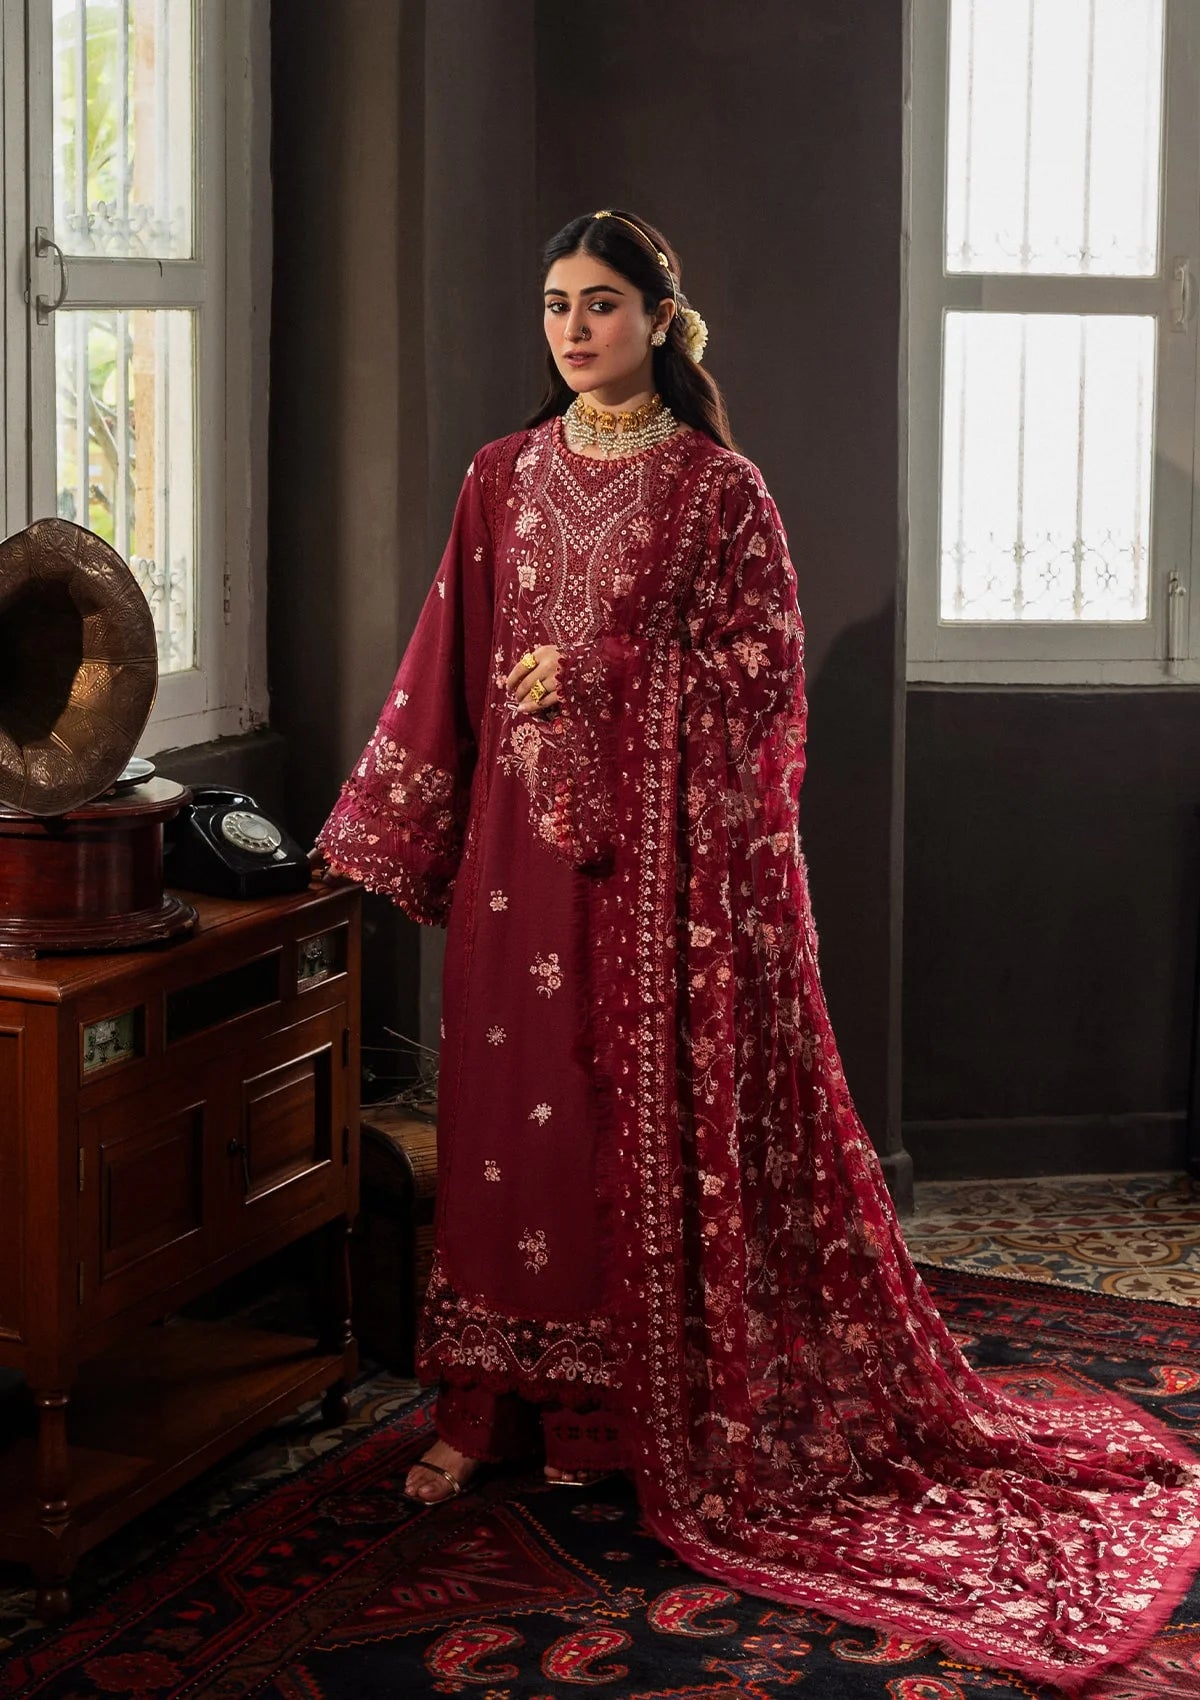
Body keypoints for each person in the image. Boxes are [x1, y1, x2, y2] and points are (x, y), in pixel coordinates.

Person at [311, 208, 1200, 1691]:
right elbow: (446, 661)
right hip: (522, 868)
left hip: (656, 887)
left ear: (664, 319)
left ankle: (610, 1422)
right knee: (505, 1135)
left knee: (614, 1126)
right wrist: (418, 829)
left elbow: (764, 691)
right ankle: (485, 1416)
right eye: (554, 304)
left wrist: (598, 678)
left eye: (602, 304)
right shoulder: (500, 479)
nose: (573, 329)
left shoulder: (722, 494)